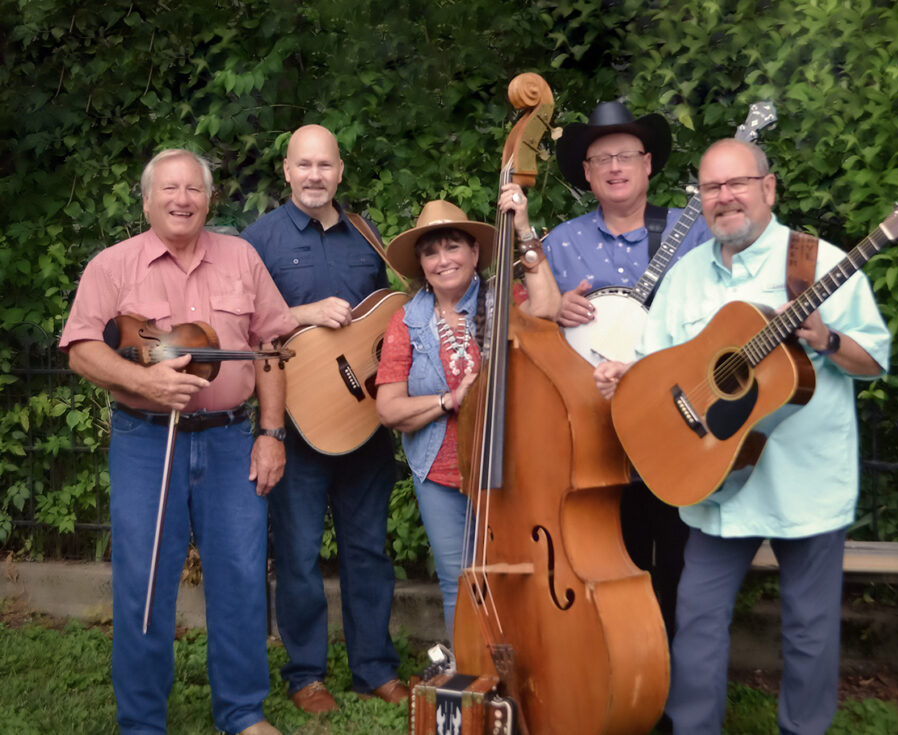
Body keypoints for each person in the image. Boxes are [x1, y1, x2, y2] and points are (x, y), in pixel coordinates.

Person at [595, 138, 892, 734]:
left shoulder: (818, 265)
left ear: (768, 188)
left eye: (737, 184)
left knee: (808, 630)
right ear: (700, 199)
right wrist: (631, 379)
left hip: (805, 482)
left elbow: (873, 361)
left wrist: (826, 340)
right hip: (715, 479)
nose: (724, 197)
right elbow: (662, 366)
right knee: (697, 619)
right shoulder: (683, 278)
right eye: (711, 188)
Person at [60, 149, 298, 735]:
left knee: (242, 575)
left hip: (230, 439)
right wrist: (143, 380)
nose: (182, 199)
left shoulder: (241, 257)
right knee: (143, 580)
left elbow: (270, 347)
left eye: (193, 188)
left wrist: (271, 433)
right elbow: (81, 347)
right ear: (147, 201)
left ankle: (242, 712)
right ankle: (142, 722)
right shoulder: (113, 266)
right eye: (169, 189)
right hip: (146, 442)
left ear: (209, 198)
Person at [510, 100, 714, 642]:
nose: (615, 167)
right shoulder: (561, 243)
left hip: (673, 430)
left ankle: (675, 698)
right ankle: (619, 679)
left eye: (626, 155)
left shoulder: (692, 236)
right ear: (586, 174)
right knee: (607, 569)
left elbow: (720, 327)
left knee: (679, 571)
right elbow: (512, 322)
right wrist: (549, 310)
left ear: (649, 165)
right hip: (592, 443)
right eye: (602, 159)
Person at [239, 124, 408, 713]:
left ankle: (374, 668)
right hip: (296, 425)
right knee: (300, 555)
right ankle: (306, 675)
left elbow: (386, 323)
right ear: (286, 170)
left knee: (368, 552)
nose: (315, 176)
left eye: (326, 165)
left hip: (362, 422)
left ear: (340, 171)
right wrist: (302, 311)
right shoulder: (257, 240)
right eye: (304, 165)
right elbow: (243, 327)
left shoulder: (368, 235)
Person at [374, 196, 560, 637]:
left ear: (475, 252)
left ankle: (523, 679)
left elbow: (550, 308)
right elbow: (389, 408)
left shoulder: (505, 302)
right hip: (440, 473)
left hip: (506, 468)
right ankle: (472, 681)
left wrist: (525, 230)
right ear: (421, 264)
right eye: (431, 252)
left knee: (516, 579)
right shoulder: (406, 321)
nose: (443, 261)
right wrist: (449, 400)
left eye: (453, 246)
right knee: (460, 583)